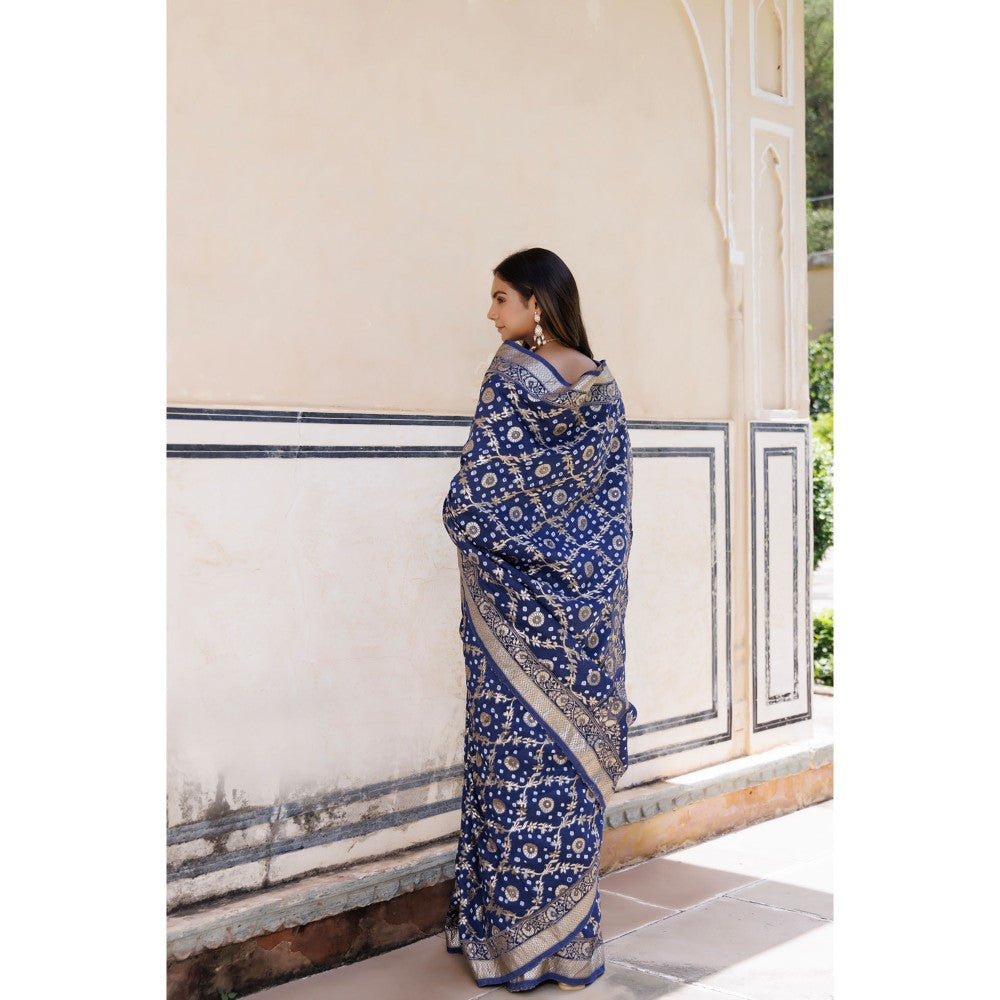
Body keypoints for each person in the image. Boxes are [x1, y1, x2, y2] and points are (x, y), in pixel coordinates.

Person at [441, 247, 638, 992]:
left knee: (508, 765)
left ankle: (507, 944)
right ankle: (566, 944)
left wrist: (501, 552)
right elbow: (612, 516)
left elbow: (475, 501)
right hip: (583, 619)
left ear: (537, 304)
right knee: (563, 772)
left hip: (511, 620)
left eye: (501, 298)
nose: (490, 313)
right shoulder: (603, 387)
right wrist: (575, 574)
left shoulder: (508, 377)